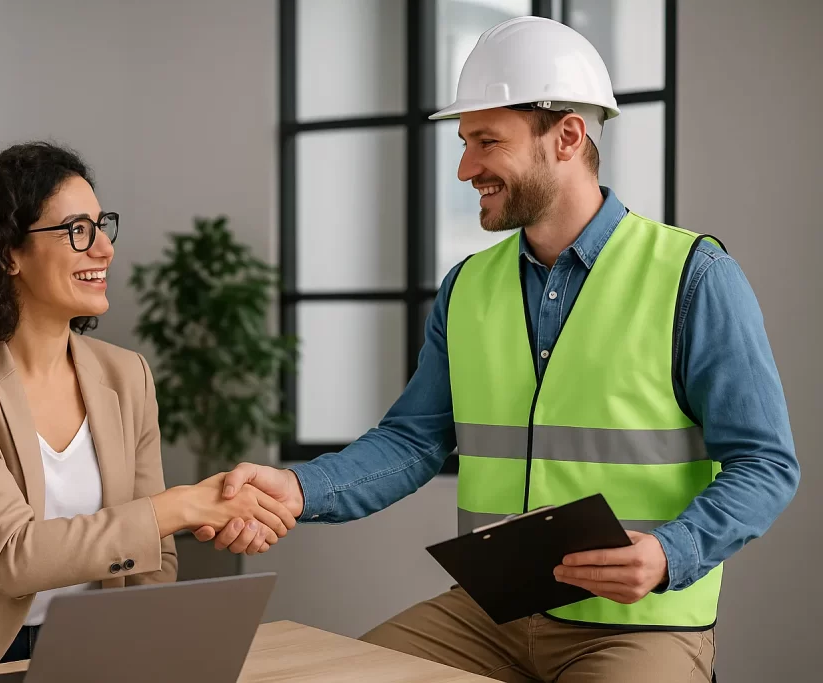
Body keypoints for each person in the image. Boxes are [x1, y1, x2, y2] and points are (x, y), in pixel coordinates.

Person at [196, 16, 800, 682]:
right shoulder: (467, 287)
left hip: (638, 627)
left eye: (486, 141)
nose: (464, 168)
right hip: (490, 615)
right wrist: (296, 487)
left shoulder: (694, 277)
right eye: (464, 142)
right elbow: (413, 441)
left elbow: (766, 462)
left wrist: (668, 551)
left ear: (567, 136)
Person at [0, 142, 294, 683]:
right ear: (7, 252)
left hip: (89, 648)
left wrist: (155, 659)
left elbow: (152, 559)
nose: (104, 248)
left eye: (102, 226)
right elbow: (13, 557)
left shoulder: (127, 374)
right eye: (77, 230)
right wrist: (184, 505)